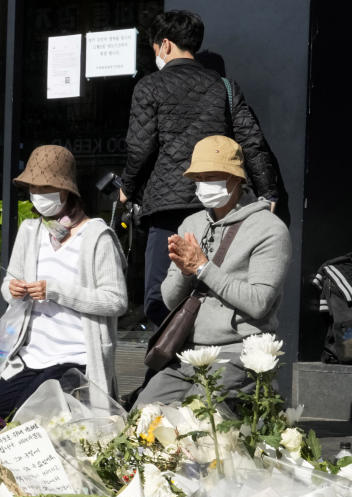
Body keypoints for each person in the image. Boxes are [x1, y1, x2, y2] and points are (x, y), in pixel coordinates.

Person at [118, 10, 280, 328]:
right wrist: (268, 191)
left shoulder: (149, 87)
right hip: (215, 207)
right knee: (210, 288)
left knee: (160, 297)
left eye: (154, 49)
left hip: (166, 208)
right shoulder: (225, 88)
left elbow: (140, 147)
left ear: (164, 45)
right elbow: (252, 141)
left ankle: (173, 362)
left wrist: (127, 186)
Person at [135, 135, 290, 406]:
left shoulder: (270, 229)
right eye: (199, 177)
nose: (204, 184)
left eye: (212, 176)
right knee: (141, 416)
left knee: (195, 423)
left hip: (238, 355)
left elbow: (259, 303)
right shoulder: (190, 224)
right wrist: (185, 273)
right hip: (187, 352)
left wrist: (203, 267)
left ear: (236, 178)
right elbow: (171, 301)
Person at [0, 145, 128, 420]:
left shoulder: (97, 236)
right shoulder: (31, 230)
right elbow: (9, 283)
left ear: (66, 190)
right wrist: (14, 290)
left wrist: (55, 291)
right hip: (28, 356)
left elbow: (116, 301)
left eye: (45, 188)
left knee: (35, 423)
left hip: (75, 360)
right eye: (33, 188)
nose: (38, 196)